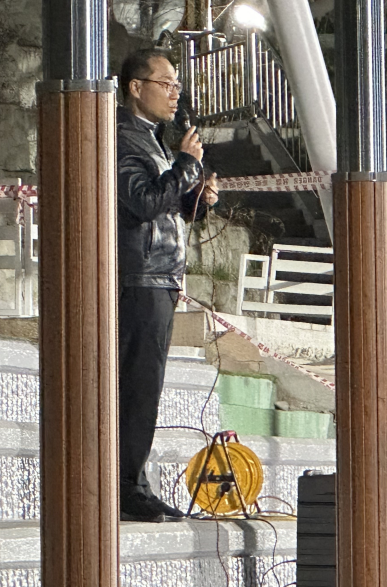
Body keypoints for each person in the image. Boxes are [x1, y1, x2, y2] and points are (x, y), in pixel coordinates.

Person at [116, 49, 219, 523]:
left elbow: (165, 205)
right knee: (137, 385)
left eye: (177, 84)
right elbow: (141, 201)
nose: (175, 93)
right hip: (138, 276)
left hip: (159, 274)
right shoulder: (123, 138)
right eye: (165, 83)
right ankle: (125, 485)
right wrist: (186, 166)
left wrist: (197, 196)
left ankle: (134, 480)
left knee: (146, 386)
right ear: (135, 87)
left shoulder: (153, 139)